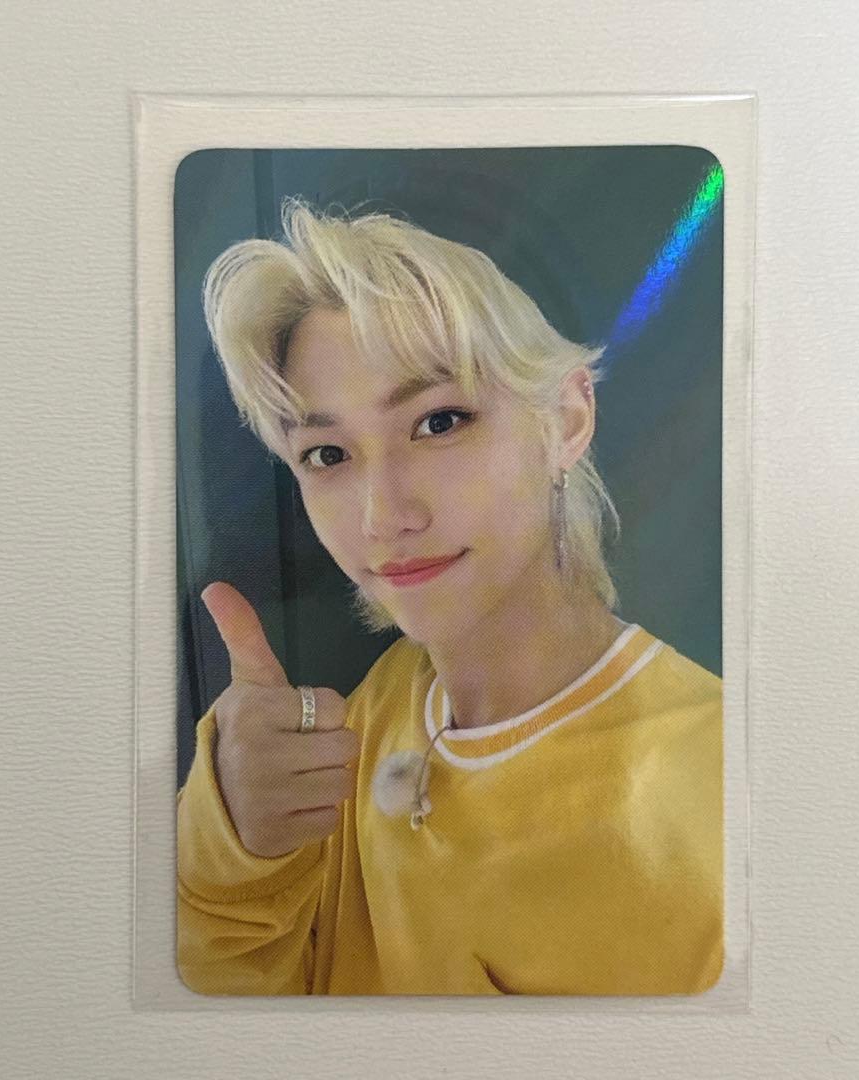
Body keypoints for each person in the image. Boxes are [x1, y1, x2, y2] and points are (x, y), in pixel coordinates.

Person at [176, 196, 723, 996]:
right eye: (327, 454)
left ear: (567, 420)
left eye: (439, 422)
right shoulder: (379, 705)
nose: (382, 516)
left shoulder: (719, 798)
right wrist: (232, 849)